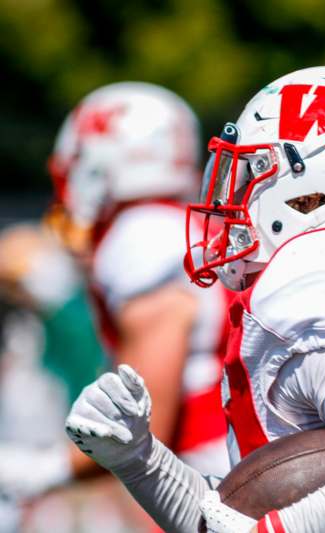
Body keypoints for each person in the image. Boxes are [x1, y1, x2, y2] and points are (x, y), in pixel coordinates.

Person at [64, 66, 325, 533]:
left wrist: (282, 530)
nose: (234, 195)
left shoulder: (318, 273)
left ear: (313, 191)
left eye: (253, 172)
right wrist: (140, 460)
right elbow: (231, 516)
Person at [0, 82, 231, 504]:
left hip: (222, 473)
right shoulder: (175, 226)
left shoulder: (141, 236)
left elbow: (138, 426)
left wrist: (34, 470)